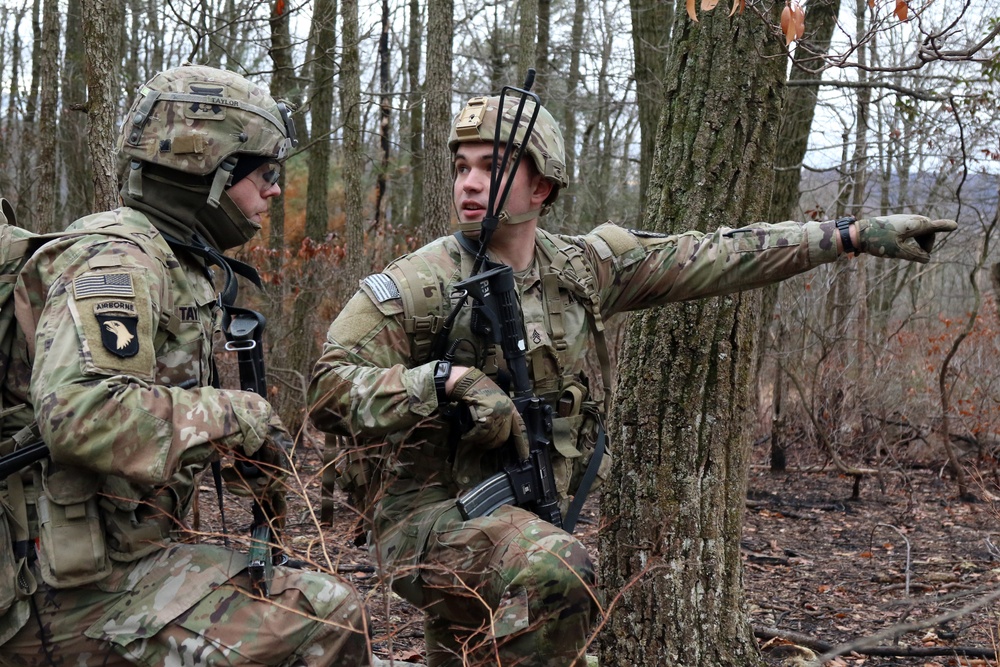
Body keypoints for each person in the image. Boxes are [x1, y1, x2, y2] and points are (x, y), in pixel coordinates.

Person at [307, 94, 956, 666]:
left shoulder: (581, 268)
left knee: (471, 647)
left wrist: (849, 234)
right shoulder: (418, 284)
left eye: (492, 166)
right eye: (462, 166)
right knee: (561, 573)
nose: (470, 182)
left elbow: (719, 254)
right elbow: (328, 387)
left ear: (543, 189)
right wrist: (443, 380)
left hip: (520, 514)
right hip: (425, 523)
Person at [0, 64, 372, 666]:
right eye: (265, 173)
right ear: (211, 171)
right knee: (319, 616)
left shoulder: (173, 260)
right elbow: (80, 412)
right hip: (54, 593)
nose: (276, 191)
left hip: (103, 561)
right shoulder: (116, 259)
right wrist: (233, 415)